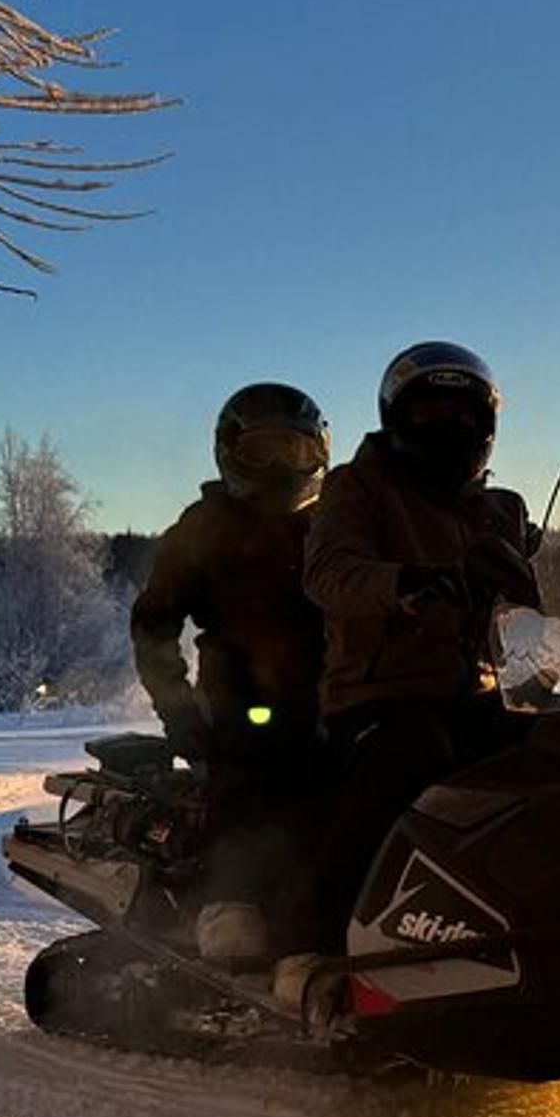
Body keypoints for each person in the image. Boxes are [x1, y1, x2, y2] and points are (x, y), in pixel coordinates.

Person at [299, 341, 538, 957]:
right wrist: (405, 582)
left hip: (484, 692)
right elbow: (329, 571)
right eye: (430, 413)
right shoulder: (359, 487)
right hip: (379, 694)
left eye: (461, 415)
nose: (448, 427)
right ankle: (319, 943)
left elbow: (554, 573)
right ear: (397, 418)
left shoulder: (501, 509)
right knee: (411, 754)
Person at [130, 383, 330, 966]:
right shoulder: (204, 526)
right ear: (230, 452)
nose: (277, 466)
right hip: (240, 698)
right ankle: (226, 901)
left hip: (337, 693)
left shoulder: (334, 524)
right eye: (261, 451)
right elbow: (153, 623)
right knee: (251, 770)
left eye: (291, 452)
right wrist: (178, 709)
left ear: (317, 454)